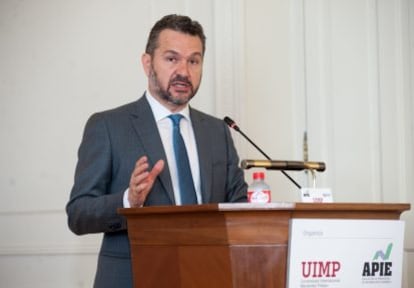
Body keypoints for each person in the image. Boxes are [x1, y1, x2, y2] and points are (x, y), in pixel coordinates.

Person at [66, 14, 247, 288]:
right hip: (135, 278)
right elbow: (78, 214)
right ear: (147, 63)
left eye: (194, 61)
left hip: (209, 276)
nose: (184, 72)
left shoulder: (217, 131)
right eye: (172, 59)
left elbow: (239, 207)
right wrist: (129, 201)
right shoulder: (108, 126)